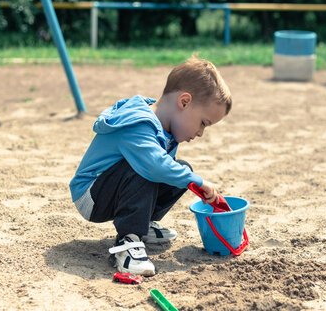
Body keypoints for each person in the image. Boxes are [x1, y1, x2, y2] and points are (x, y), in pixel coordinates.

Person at [69, 55, 232, 276]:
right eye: (203, 123)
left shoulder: (164, 128)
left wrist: (191, 179)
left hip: (113, 189)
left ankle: (142, 225)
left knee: (181, 169)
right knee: (152, 168)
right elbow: (154, 166)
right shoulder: (140, 123)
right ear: (184, 102)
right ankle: (128, 243)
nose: (201, 133)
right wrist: (199, 182)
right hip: (92, 196)